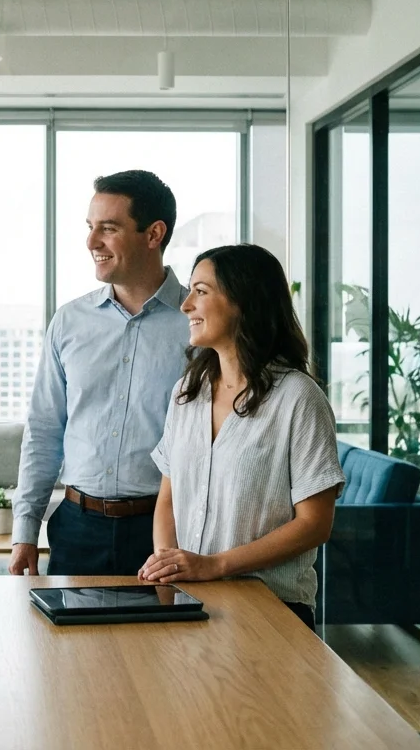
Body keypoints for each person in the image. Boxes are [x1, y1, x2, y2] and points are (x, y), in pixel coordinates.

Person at [137, 244, 344, 630]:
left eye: (201, 291)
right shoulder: (187, 392)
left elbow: (315, 524)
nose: (186, 305)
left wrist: (214, 566)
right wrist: (170, 566)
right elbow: (169, 496)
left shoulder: (298, 398)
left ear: (243, 302)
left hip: (272, 611)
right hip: (191, 604)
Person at [9, 170, 191, 576]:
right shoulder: (69, 321)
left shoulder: (197, 324)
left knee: (163, 642)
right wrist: (25, 531)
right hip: (76, 528)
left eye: (108, 228)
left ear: (153, 234)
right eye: (91, 228)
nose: (91, 242)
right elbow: (44, 430)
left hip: (168, 533)